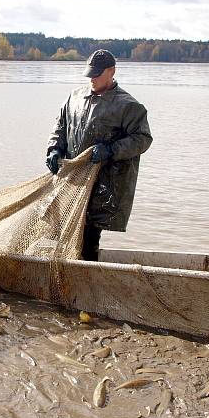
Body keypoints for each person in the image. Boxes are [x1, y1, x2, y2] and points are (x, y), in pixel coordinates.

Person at [46, 49, 152, 261]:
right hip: (71, 179)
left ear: (111, 71)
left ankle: (85, 279)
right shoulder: (75, 97)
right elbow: (61, 126)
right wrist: (54, 148)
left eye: (97, 73)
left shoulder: (129, 106)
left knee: (89, 236)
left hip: (103, 184)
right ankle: (59, 272)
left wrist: (111, 150)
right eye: (89, 73)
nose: (91, 78)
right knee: (55, 226)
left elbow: (142, 139)